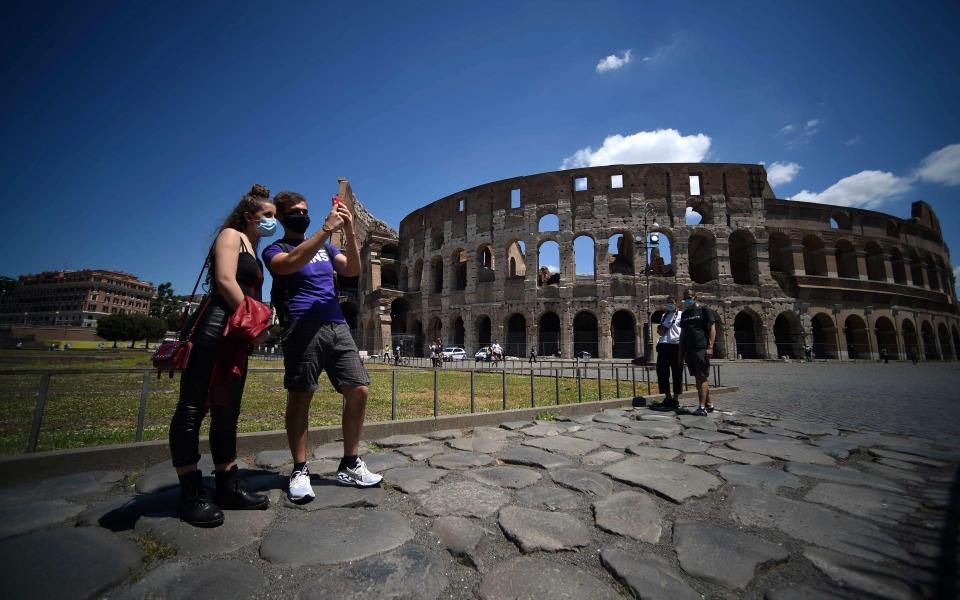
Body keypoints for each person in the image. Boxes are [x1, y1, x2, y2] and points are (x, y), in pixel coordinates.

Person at [168, 184, 275, 527]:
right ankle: (190, 492)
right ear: (248, 216)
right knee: (193, 406)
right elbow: (226, 280)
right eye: (267, 216)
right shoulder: (230, 235)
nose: (272, 222)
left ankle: (227, 484)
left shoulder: (253, 247)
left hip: (236, 332)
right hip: (215, 325)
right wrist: (256, 321)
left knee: (227, 409)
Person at [264, 191, 381, 501]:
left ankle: (350, 462)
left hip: (336, 323)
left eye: (305, 210)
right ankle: (300, 468)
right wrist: (326, 229)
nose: (302, 215)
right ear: (280, 217)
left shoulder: (327, 250)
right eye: (295, 212)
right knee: (301, 396)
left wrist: (349, 231)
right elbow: (288, 265)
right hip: (302, 325)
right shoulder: (276, 248)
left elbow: (353, 270)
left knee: (358, 388)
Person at [678, 289, 716, 417]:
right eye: (685, 297)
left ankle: (701, 407)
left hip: (701, 347)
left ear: (695, 297)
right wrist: (681, 350)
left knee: (701, 376)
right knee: (698, 377)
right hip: (689, 349)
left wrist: (710, 346)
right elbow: (682, 333)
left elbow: (712, 328)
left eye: (689, 297)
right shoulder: (685, 314)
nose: (687, 299)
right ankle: (709, 403)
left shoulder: (704, 309)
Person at [651, 297, 683, 412]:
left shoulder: (681, 315)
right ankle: (668, 397)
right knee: (662, 372)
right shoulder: (664, 315)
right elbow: (660, 331)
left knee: (677, 372)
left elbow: (684, 330)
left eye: (672, 303)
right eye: (668, 303)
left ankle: (676, 399)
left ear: (676, 304)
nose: (670, 305)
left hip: (676, 346)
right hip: (664, 345)